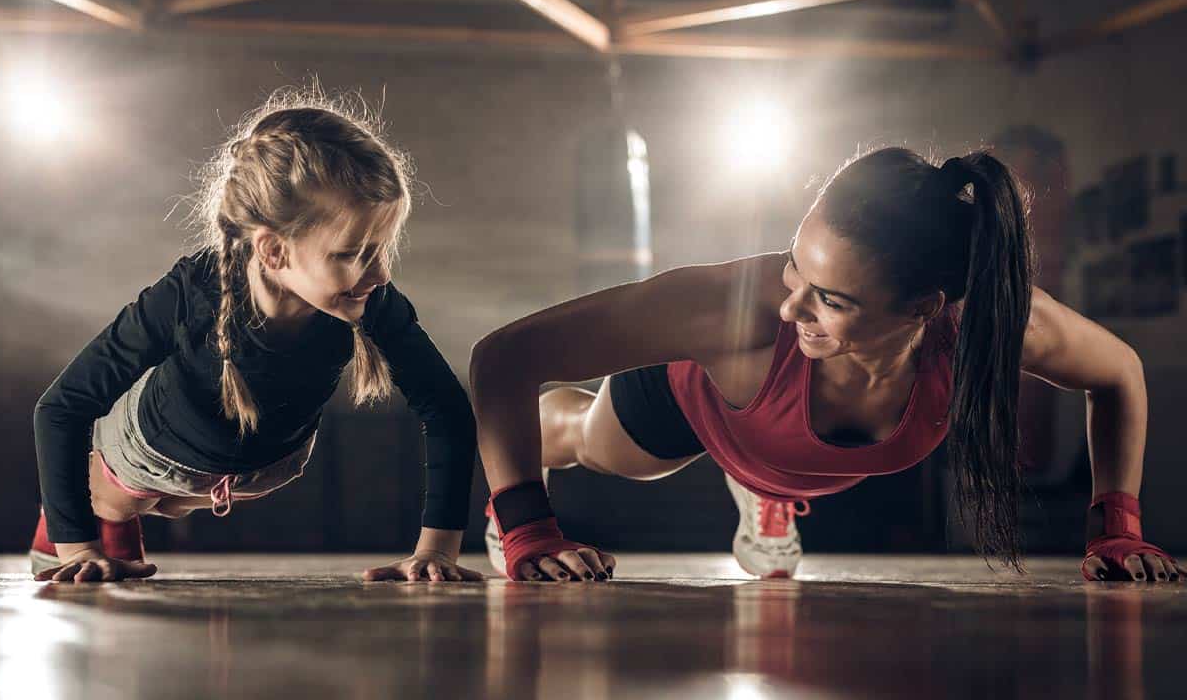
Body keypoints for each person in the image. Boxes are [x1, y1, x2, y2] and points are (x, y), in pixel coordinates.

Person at [469, 147, 1179, 584]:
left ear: (922, 309)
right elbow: (504, 356)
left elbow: (1119, 374)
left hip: (778, 441)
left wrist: (1116, 524)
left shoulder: (987, 325)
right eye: (792, 269)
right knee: (602, 448)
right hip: (690, 398)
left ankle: (762, 487)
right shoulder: (732, 311)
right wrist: (527, 521)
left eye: (830, 299)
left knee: (776, 445)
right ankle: (573, 432)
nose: (790, 307)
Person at [31, 94, 480, 584]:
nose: (380, 272)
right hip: (151, 451)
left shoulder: (369, 300)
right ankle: (105, 512)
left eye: (382, 249)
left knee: (173, 500)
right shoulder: (191, 293)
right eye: (353, 253)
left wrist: (438, 549)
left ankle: (141, 504)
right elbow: (61, 407)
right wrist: (78, 547)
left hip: (271, 465)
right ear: (272, 250)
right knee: (132, 493)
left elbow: (447, 407)